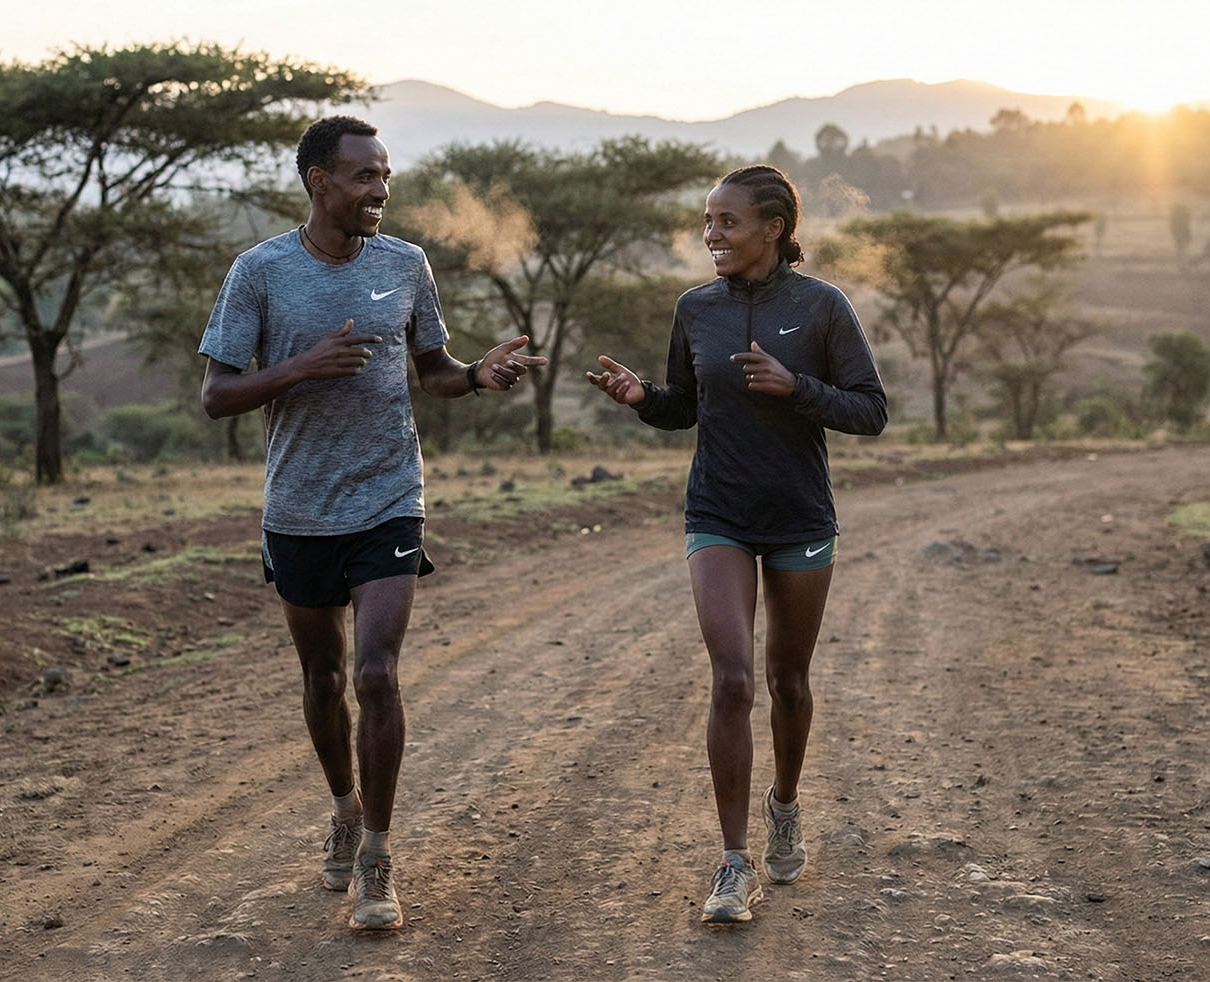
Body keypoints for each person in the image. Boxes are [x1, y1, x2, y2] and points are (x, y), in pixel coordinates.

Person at [199, 116, 545, 931]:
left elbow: (434, 374)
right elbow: (215, 396)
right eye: (363, 177)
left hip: (390, 496)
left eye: (384, 175)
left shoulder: (406, 264)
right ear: (320, 181)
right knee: (323, 679)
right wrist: (300, 366)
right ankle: (344, 806)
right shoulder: (260, 273)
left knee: (376, 675)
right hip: (298, 508)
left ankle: (379, 860)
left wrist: (479, 376)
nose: (380, 191)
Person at [585, 164, 886, 923]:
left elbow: (871, 411)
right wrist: (642, 400)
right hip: (716, 511)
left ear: (774, 229)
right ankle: (732, 863)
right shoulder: (696, 309)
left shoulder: (821, 307)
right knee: (732, 680)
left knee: (788, 681)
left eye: (726, 222)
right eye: (708, 221)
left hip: (798, 517)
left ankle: (785, 804)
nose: (710, 234)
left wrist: (798, 389)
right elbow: (684, 406)